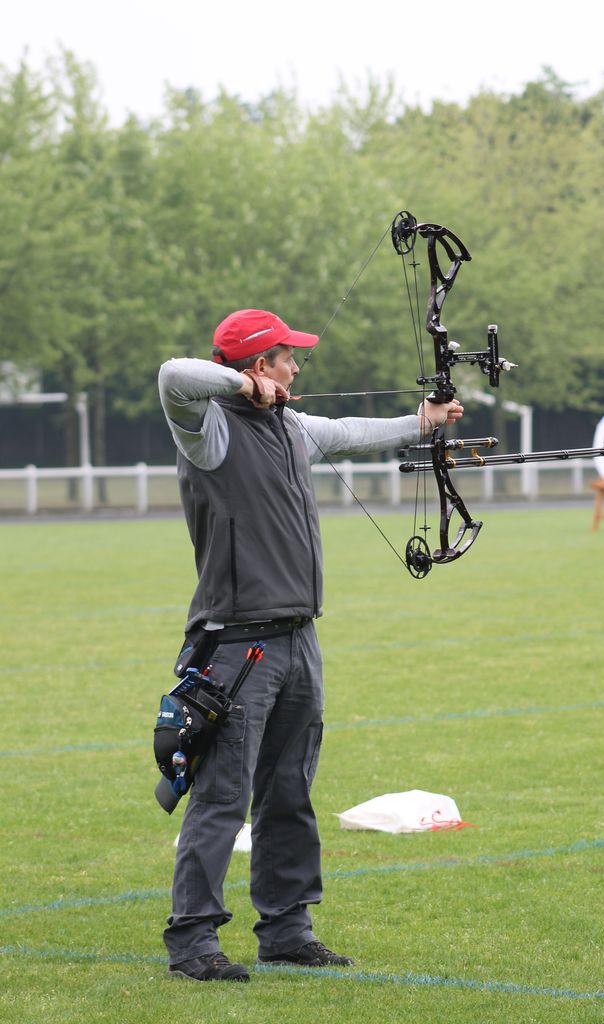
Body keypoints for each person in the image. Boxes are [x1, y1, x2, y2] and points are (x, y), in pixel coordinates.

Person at [157, 307, 464, 982]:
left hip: (297, 640)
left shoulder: (290, 427)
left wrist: (423, 421)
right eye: (285, 358)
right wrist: (239, 389)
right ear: (258, 366)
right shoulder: (207, 431)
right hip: (237, 647)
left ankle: (287, 929)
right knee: (221, 798)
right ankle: (193, 941)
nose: (296, 367)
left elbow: (353, 431)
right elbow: (173, 374)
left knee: (288, 792)